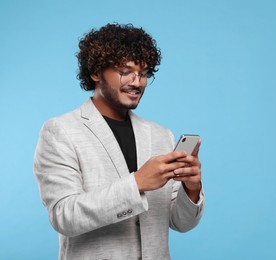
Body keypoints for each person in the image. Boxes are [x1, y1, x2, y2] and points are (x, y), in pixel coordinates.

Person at [34, 23, 205, 260]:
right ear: (95, 72)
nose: (137, 82)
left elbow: (181, 223)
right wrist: (136, 183)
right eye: (125, 71)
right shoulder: (60, 131)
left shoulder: (161, 135)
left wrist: (192, 188)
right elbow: (64, 215)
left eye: (144, 73)